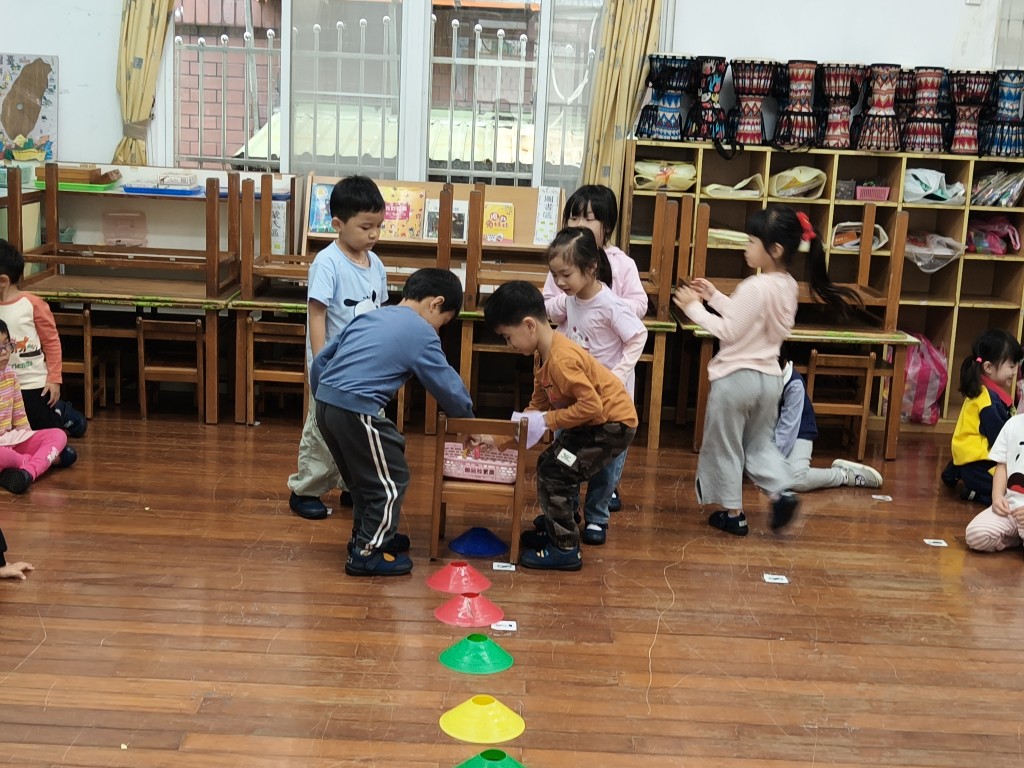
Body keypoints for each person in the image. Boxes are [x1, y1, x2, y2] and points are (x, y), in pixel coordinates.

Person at [672, 206, 861, 536]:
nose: (746, 246)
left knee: (726, 445)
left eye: (751, 240)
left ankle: (733, 515)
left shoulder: (754, 286)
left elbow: (730, 330)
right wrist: (713, 296)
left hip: (736, 381)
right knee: (759, 446)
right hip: (770, 380)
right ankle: (780, 492)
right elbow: (748, 318)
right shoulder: (788, 286)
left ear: (774, 249)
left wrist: (692, 308)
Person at [312, 268, 474, 577]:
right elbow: (446, 384)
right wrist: (466, 419)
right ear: (436, 304)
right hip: (356, 409)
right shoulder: (422, 331)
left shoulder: (370, 316)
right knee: (391, 480)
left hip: (326, 405)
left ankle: (370, 534)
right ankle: (367, 552)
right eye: (443, 322)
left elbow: (321, 360)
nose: (439, 329)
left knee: (364, 479)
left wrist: (324, 396)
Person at [484, 280, 637, 571]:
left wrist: (548, 421)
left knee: (556, 471)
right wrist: (501, 439)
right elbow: (537, 406)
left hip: (612, 426)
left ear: (529, 325)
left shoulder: (562, 359)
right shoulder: (541, 356)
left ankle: (565, 548)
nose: (509, 345)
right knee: (550, 463)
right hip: (593, 423)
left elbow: (592, 407)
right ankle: (559, 523)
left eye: (508, 337)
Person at [287, 176, 388, 521]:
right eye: (366, 227)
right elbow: (317, 314)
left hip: (366, 367)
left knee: (364, 427)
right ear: (338, 224)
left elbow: (379, 313)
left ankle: (352, 485)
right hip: (332, 367)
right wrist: (320, 364)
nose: (374, 234)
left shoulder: (376, 264)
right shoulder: (327, 262)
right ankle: (306, 490)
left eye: (379, 226)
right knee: (322, 429)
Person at [542, 184, 647, 513]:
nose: (579, 225)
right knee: (567, 439)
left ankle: (600, 504)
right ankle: (567, 498)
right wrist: (570, 299)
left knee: (607, 442)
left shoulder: (621, 263)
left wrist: (605, 305)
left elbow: (639, 306)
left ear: (608, 226)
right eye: (573, 217)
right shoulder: (563, 261)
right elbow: (549, 305)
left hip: (609, 377)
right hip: (572, 376)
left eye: (588, 219)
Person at [0, 239, 86, 438]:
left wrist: (54, 379)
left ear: (3, 281)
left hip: (32, 384)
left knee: (42, 430)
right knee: (13, 431)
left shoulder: (33, 304)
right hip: (4, 386)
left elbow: (51, 342)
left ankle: (62, 412)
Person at [941, 329, 1023, 507]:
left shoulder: (985, 392)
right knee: (1010, 490)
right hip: (978, 464)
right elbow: (1001, 440)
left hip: (969, 456)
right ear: (988, 367)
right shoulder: (989, 402)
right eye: (1011, 366)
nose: (1015, 371)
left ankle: (956, 470)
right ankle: (974, 492)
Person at [775, 357, 883, 491]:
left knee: (797, 479)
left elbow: (786, 433)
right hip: (771, 434)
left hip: (797, 432)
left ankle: (843, 475)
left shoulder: (794, 385)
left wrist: (767, 463)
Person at [0, 319, 77, 495]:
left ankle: (26, 472)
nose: (4, 353)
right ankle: (35, 462)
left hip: (11, 439)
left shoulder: (11, 375)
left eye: (7, 345)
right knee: (64, 455)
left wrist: (30, 438)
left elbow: (20, 417)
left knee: (58, 435)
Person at [965, 411, 1024, 552]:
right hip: (1011, 508)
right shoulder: (1013, 423)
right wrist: (997, 496)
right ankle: (1016, 537)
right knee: (976, 535)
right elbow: (1002, 464)